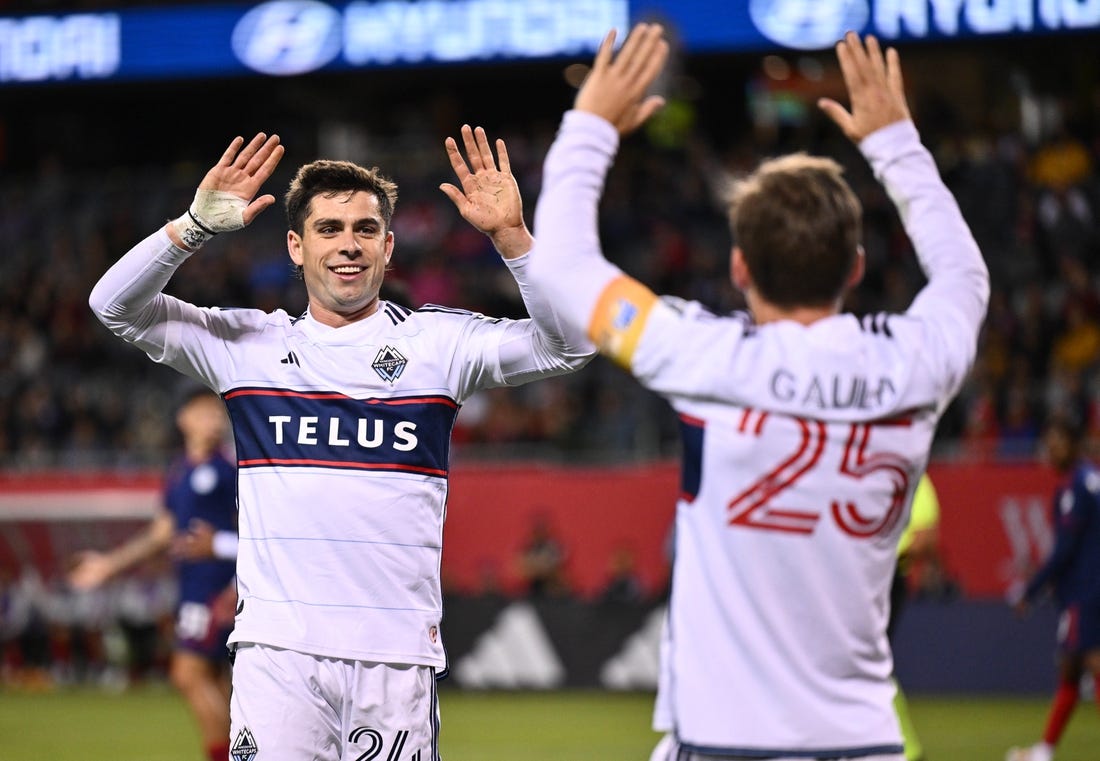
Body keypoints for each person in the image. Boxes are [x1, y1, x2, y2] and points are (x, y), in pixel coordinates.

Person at [526, 25, 989, 760]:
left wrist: (589, 125)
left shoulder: (705, 356)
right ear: (857, 265)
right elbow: (964, 277)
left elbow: (563, 266)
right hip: (865, 742)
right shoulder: (917, 360)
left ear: (739, 268)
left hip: (723, 741)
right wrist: (898, 145)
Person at [88, 126, 593, 760]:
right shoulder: (248, 346)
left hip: (394, 659)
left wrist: (513, 240)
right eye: (328, 229)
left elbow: (572, 342)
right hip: (277, 655)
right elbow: (112, 306)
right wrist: (193, 225)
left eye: (363, 230)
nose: (347, 246)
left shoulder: (440, 346)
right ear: (296, 247)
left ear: (388, 247)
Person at [69, 387, 238, 761]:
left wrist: (235, 583)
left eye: (217, 413)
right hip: (192, 587)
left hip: (216, 590)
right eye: (205, 412)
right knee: (214, 682)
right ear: (184, 419)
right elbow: (161, 533)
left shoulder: (228, 471)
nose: (214, 420)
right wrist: (109, 565)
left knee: (187, 673)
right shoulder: (180, 472)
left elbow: (255, 532)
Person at [1005, 415, 1100, 761]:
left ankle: (1044, 751)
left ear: (1075, 445)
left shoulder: (1076, 486)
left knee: (1090, 662)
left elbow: (1064, 550)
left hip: (1086, 591)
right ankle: (1044, 750)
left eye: (1058, 443)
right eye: (1049, 443)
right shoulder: (1091, 480)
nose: (1051, 450)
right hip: (1088, 588)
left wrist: (1030, 591)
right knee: (1072, 670)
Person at [888, 474, 942, 761]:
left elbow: (925, 538)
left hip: (888, 578)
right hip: (860, 577)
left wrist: (884, 559)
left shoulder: (914, 477)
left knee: (872, 666)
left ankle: (909, 749)